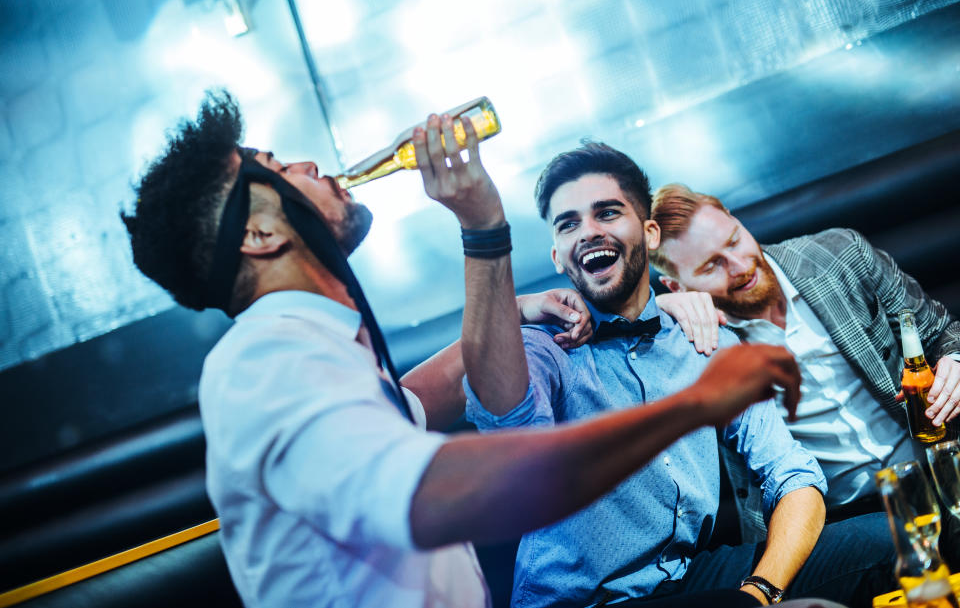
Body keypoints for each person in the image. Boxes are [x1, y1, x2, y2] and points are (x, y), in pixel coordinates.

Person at [120, 92, 813, 608]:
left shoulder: (320, 352)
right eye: (275, 167)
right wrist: (693, 404)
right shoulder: (266, 365)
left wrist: (497, 266)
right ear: (260, 236)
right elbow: (453, 487)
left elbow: (420, 400)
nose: (307, 162)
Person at [461, 141, 896, 608]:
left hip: (689, 578)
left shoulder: (704, 343)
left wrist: (761, 591)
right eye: (569, 224)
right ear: (557, 256)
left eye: (606, 213)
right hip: (584, 602)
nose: (587, 231)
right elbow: (506, 417)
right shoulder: (543, 347)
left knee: (891, 544)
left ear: (649, 233)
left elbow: (791, 474)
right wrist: (483, 235)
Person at [649, 183, 960, 539]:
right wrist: (656, 310)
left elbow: (941, 331)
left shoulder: (840, 253)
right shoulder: (689, 343)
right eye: (711, 266)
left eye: (734, 241)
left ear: (736, 222)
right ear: (677, 287)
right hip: (841, 522)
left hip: (940, 464)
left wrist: (955, 360)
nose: (739, 266)